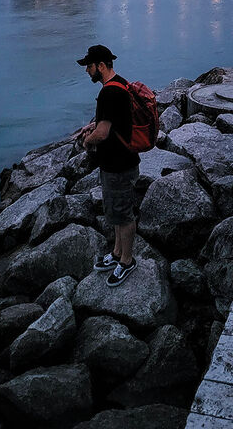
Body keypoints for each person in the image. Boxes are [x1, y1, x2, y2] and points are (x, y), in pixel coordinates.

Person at [76, 45, 140, 287]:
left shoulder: (108, 94)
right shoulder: (120, 84)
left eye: (89, 67)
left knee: (123, 214)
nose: (87, 71)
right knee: (115, 211)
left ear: (101, 66)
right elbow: (110, 123)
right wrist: (92, 127)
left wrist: (86, 141)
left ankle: (127, 260)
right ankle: (116, 253)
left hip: (119, 164)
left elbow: (103, 133)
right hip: (121, 161)